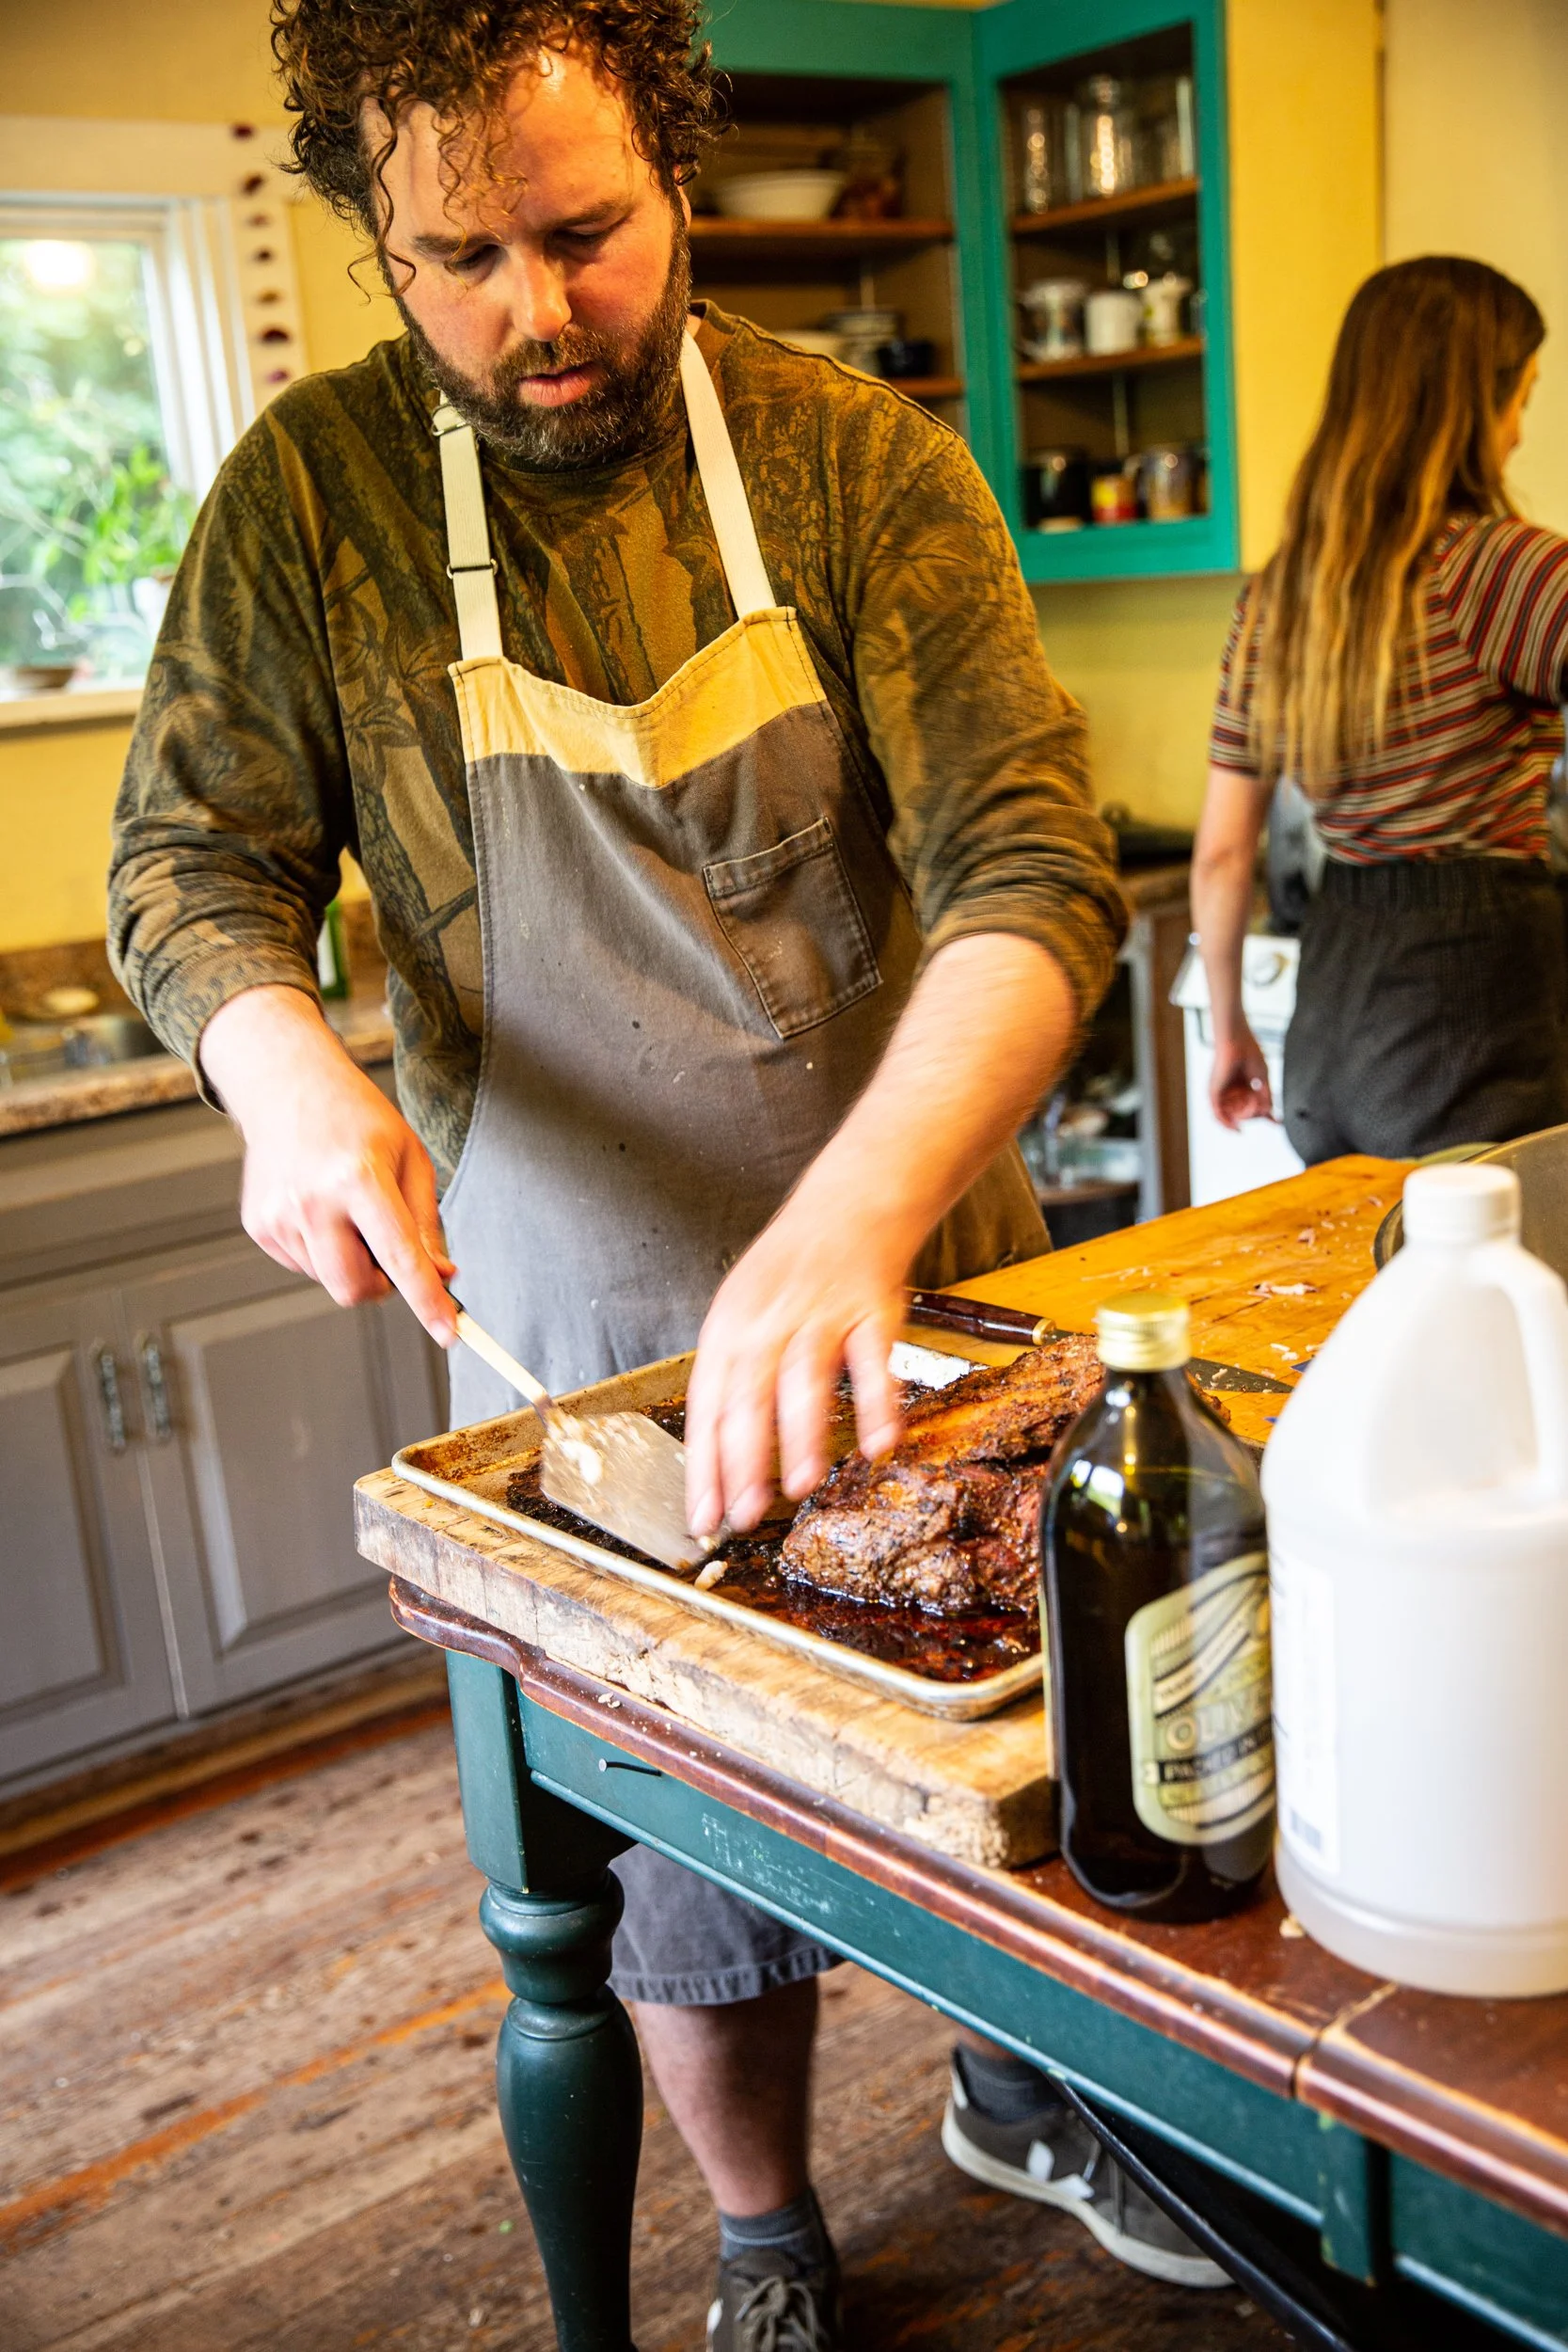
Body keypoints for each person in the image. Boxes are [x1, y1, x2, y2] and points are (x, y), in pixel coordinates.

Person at [107, 4, 1150, 2340]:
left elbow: (1035, 869)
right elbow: (190, 865)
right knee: (678, 1871)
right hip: (571, 1321)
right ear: (374, 233)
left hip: (920, 1270)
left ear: (678, 168)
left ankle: (1029, 2080)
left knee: (1009, 1764)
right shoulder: (314, 501)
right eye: (455, 254)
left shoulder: (850, 453)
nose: (532, 310)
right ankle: (769, 2231)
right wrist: (283, 1071)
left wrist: (854, 1220)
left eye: (581, 235)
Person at [1192, 256, 1568, 1164]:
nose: (1519, 431)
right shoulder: (1504, 571)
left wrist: (1232, 1028)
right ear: (1475, 404)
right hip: (1475, 1011)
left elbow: (1220, 853)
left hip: (1334, 1021)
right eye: (1520, 397)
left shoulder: (1279, 600)